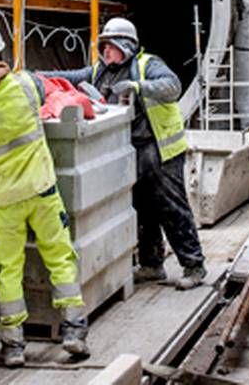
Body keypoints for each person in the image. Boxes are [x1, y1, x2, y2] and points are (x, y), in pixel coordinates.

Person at [0, 22, 88, 368]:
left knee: (7, 270)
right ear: (1, 53)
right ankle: (73, 332)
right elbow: (45, 96)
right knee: (59, 256)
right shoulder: (25, 84)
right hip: (41, 189)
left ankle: (12, 346)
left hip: (3, 200)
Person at [43, 17, 207, 290]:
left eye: (110, 45)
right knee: (142, 206)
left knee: (170, 206)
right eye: (103, 45)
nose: (105, 50)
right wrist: (36, 76)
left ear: (126, 46)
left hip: (158, 148)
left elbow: (172, 86)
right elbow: (71, 77)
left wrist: (137, 87)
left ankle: (194, 265)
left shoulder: (147, 66)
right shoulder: (100, 71)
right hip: (130, 149)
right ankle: (151, 264)